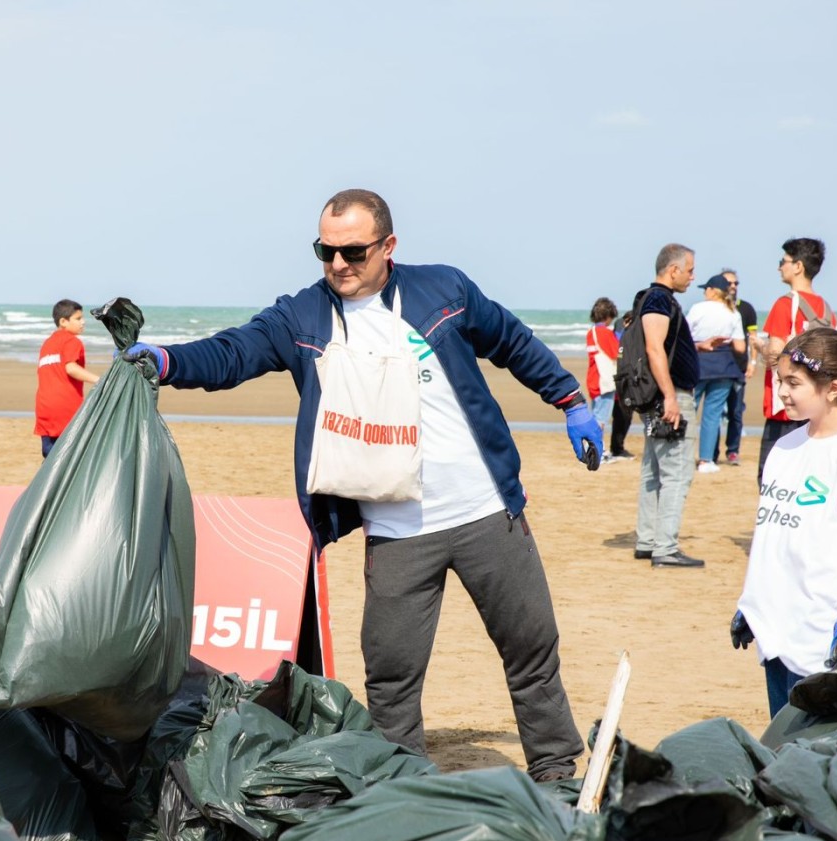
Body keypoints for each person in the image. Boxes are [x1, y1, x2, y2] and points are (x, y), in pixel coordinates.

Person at [122, 189, 600, 782]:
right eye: (326, 250)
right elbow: (232, 353)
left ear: (388, 246)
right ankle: (402, 788)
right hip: (398, 530)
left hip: (485, 512)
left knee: (532, 652)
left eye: (352, 251)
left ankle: (555, 772)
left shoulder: (444, 290)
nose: (338, 264)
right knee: (391, 675)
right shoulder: (303, 317)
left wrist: (570, 399)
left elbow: (512, 342)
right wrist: (167, 363)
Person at [730, 327, 837, 717]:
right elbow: (772, 535)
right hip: (776, 627)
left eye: (794, 382)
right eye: (779, 381)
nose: (782, 393)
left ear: (833, 388)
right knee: (783, 740)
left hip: (825, 632)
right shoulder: (785, 449)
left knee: (817, 757)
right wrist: (752, 604)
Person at [633, 244, 704, 568]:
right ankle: (665, 547)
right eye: (689, 270)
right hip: (668, 396)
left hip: (659, 396)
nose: (692, 276)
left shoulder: (654, 298)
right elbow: (654, 347)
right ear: (673, 270)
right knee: (676, 472)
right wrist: (671, 397)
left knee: (654, 468)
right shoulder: (659, 298)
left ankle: (648, 541)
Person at [757, 238, 836, 482]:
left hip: (785, 409)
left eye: (783, 261)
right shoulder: (826, 309)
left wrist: (761, 348)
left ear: (798, 266)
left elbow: (776, 353)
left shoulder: (784, 304)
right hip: (816, 408)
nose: (780, 267)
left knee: (771, 479)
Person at [686, 273, 745, 474]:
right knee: (713, 415)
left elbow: (685, 335)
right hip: (723, 365)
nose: (704, 292)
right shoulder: (732, 312)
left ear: (712, 290)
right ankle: (706, 460)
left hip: (698, 362)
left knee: (689, 411)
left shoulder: (698, 308)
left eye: (706, 289)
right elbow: (740, 347)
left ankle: (683, 457)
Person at [34, 299, 99, 457]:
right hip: (66, 409)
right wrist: (100, 380)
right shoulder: (72, 341)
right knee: (71, 457)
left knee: (50, 457)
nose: (83, 322)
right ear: (63, 321)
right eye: (78, 319)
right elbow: (71, 368)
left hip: (44, 409)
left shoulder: (47, 344)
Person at [717, 268, 757, 465]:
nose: (733, 287)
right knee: (714, 412)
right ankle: (711, 453)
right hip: (717, 368)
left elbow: (753, 338)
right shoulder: (715, 308)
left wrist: (753, 362)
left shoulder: (746, 309)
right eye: (729, 283)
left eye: (736, 283)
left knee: (735, 412)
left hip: (739, 367)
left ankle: (733, 451)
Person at [585, 297, 620, 460]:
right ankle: (598, 451)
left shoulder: (591, 332)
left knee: (596, 414)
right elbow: (616, 354)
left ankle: (596, 449)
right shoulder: (605, 333)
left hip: (593, 379)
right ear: (608, 316)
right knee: (601, 418)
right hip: (604, 381)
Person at [606, 309, 637, 461]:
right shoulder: (621, 333)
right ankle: (617, 448)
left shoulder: (625, 332)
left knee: (623, 416)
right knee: (622, 416)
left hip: (624, 381)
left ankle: (617, 447)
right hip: (621, 382)